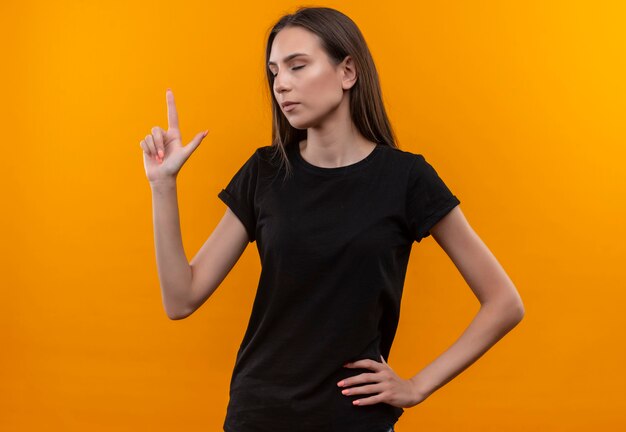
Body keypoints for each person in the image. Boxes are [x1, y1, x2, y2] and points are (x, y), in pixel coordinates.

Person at [140, 6, 524, 432]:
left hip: (354, 421)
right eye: (273, 72)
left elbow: (504, 303)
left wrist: (417, 385)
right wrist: (163, 186)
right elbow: (181, 299)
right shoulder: (265, 172)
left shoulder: (406, 179)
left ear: (347, 72)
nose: (280, 84)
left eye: (297, 66)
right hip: (259, 415)